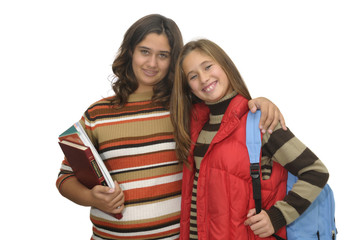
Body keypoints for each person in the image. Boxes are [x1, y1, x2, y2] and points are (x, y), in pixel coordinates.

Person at [56, 14, 286, 240]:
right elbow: (65, 178)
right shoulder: (97, 114)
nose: (152, 63)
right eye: (144, 51)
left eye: (163, 55)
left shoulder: (188, 110)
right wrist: (91, 198)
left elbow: (230, 113)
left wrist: (259, 103)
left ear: (174, 61)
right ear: (130, 52)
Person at [170, 39, 329, 240]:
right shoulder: (195, 128)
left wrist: (277, 217)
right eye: (193, 76)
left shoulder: (259, 121)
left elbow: (315, 172)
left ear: (225, 65)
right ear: (188, 88)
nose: (203, 78)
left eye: (208, 66)